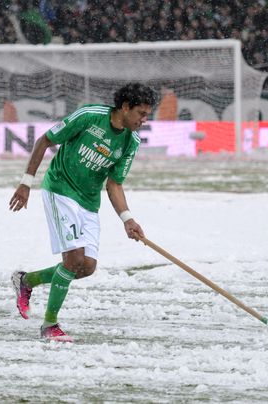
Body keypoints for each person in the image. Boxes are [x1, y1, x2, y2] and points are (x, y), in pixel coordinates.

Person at [9, 83, 158, 342]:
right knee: (74, 259)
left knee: (86, 267)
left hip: (89, 201)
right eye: (141, 114)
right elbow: (45, 140)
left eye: (147, 115)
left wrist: (127, 219)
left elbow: (114, 184)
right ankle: (49, 325)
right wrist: (26, 182)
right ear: (125, 107)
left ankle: (27, 281)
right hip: (60, 190)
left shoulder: (131, 142)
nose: (145, 120)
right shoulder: (89, 116)